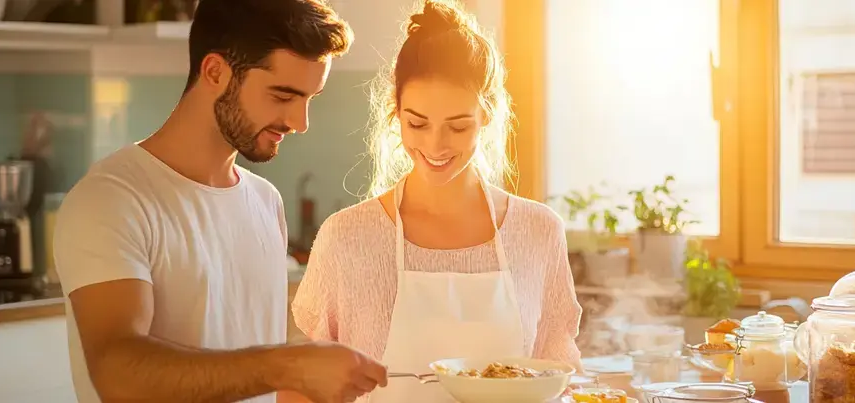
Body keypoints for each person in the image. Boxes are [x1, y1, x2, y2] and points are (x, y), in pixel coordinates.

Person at [53, 1, 388, 402]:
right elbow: (117, 375)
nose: (300, 123)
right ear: (215, 72)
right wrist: (289, 365)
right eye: (283, 95)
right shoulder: (113, 198)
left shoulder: (265, 201)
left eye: (309, 98)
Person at [291, 1, 583, 402]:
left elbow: (561, 372)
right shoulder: (346, 238)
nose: (435, 145)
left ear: (488, 114)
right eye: (417, 123)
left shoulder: (538, 231)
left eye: (458, 126)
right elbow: (305, 388)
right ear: (395, 114)